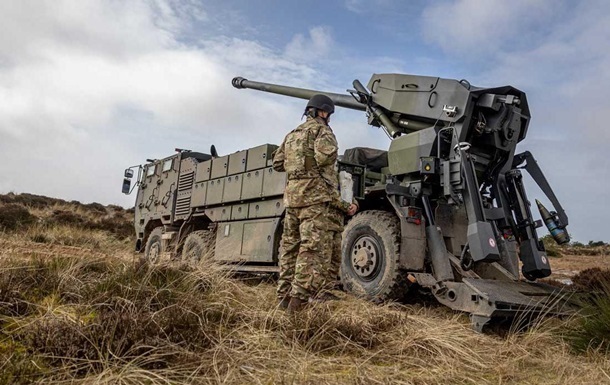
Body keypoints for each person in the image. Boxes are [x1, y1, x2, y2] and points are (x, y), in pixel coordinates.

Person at [272, 94, 358, 312]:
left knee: (290, 248)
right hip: (314, 200)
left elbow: (277, 163)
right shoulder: (323, 131)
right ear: (323, 112)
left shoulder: (292, 134)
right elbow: (325, 160)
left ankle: (283, 296)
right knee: (311, 249)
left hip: (292, 199)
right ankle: (298, 302)